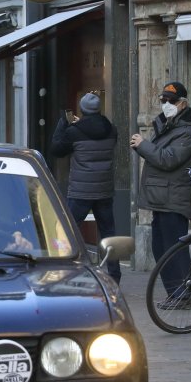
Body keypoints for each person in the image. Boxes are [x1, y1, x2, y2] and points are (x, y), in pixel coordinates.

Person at [131, 81, 191, 304]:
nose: (166, 104)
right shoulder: (168, 125)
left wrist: (143, 145)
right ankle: (175, 294)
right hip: (162, 197)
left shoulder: (189, 131)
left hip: (175, 197)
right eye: (163, 100)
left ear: (183, 103)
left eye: (171, 101)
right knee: (161, 248)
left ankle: (184, 295)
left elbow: (168, 159)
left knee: (175, 249)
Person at [50, 92, 120, 281]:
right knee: (108, 233)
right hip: (104, 190)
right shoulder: (111, 129)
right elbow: (95, 132)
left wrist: (63, 124)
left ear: (82, 109)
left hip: (81, 191)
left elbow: (56, 149)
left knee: (66, 230)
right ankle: (115, 274)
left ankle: (61, 270)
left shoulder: (74, 132)